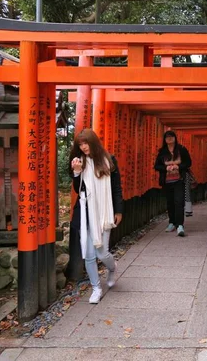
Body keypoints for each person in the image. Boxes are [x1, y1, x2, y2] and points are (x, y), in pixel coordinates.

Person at [69, 129, 123, 304]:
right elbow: (78, 190)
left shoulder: (109, 160)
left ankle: (113, 267)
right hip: (86, 212)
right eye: (80, 145)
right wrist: (77, 173)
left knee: (102, 253)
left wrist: (119, 210)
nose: (83, 147)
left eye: (86, 143)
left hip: (104, 211)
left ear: (93, 142)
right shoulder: (79, 162)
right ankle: (96, 288)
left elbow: (116, 188)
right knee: (89, 253)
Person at [154, 130, 192, 237]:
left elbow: (188, 162)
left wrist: (178, 167)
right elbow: (156, 166)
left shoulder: (181, 149)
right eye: (167, 137)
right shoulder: (162, 152)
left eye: (171, 137)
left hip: (179, 180)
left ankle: (180, 225)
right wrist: (166, 168)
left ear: (175, 138)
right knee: (170, 202)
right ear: (164, 140)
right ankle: (171, 223)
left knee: (179, 202)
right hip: (167, 181)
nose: (169, 139)